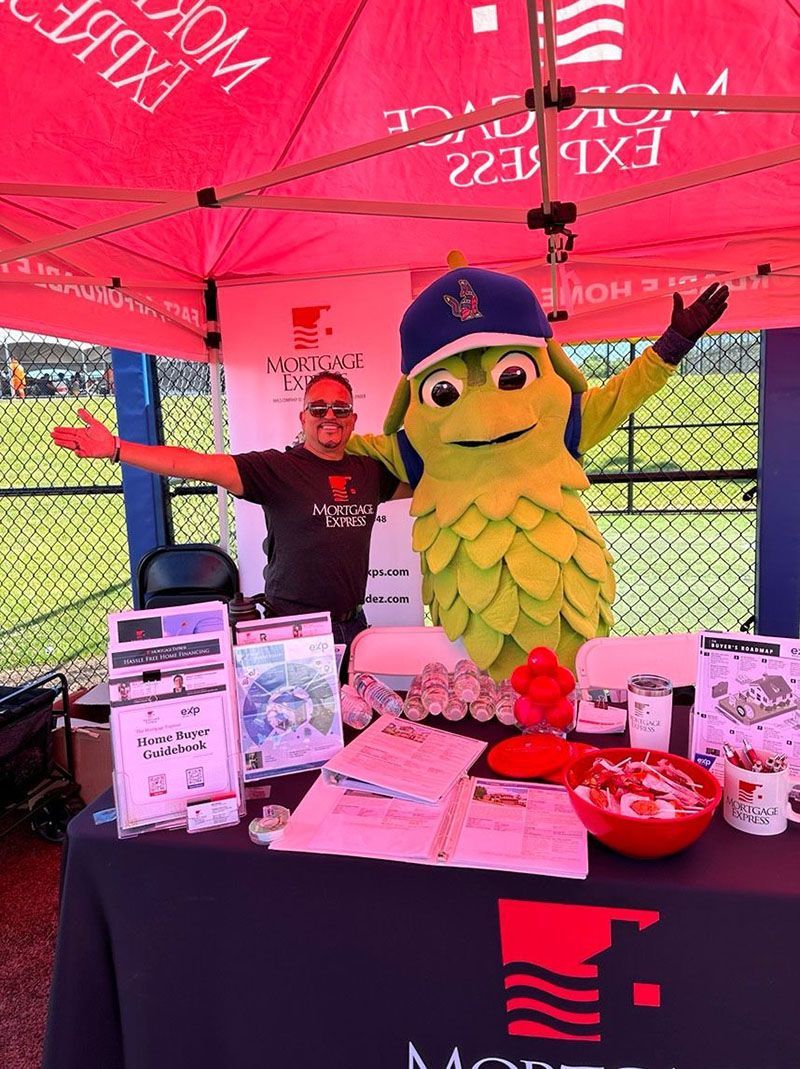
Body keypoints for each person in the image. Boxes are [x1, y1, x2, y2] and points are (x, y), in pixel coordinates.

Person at [52, 371, 410, 658]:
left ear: (353, 418)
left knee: (355, 726)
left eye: (339, 409)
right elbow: (194, 464)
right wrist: (118, 448)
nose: (329, 416)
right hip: (294, 627)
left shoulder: (368, 473)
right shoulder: (278, 469)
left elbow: (432, 486)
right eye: (318, 409)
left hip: (353, 625)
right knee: (297, 733)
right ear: (303, 417)